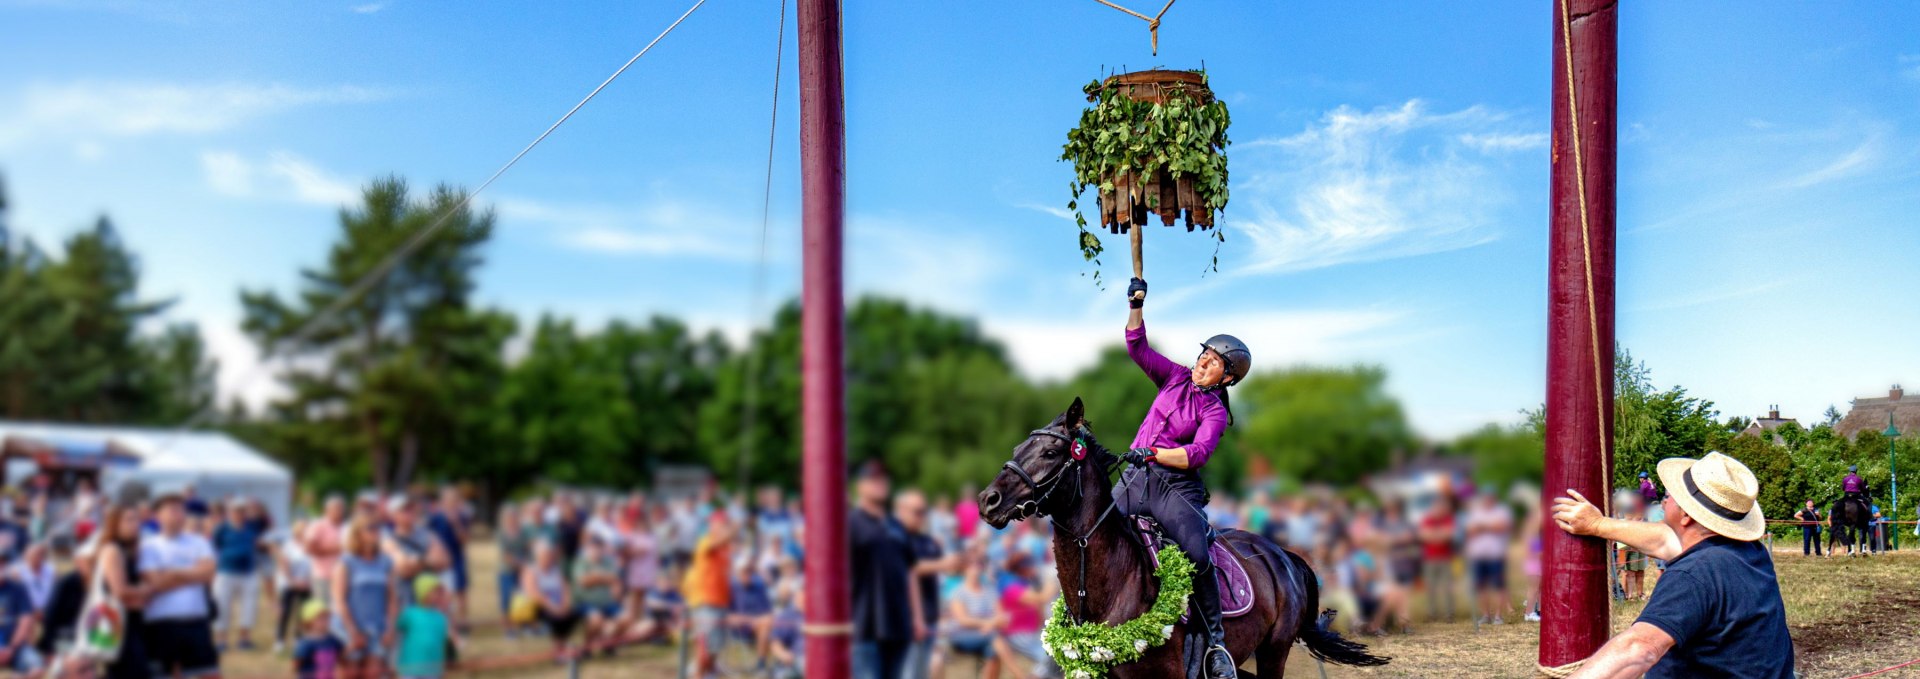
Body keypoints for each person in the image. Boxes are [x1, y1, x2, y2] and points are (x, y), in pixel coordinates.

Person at [1112, 274, 1249, 679]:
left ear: (1227, 378)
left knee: (1196, 553)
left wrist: (1154, 452)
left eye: (1213, 362)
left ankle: (1217, 645)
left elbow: (1197, 454)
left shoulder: (1216, 412)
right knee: (1093, 528)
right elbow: (1137, 347)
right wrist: (1136, 305)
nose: (1203, 362)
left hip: (1175, 488)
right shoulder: (1173, 376)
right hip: (1136, 478)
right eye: (1204, 354)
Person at [1551, 451, 1792, 678]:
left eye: (1669, 497)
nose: (1663, 503)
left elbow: (1639, 648)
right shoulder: (1748, 552)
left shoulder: (1694, 573)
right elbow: (1664, 539)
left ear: (1686, 516)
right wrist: (1597, 525)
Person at [849, 461, 917, 679]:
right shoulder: (850, 522)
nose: (881, 483)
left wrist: (917, 618)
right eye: (873, 479)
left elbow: (910, 571)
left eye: (884, 478)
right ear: (860, 486)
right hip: (864, 625)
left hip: (898, 626)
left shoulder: (896, 525)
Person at [141, 494, 220, 679]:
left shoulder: (199, 541)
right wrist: (193, 573)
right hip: (160, 622)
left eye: (181, 509)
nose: (179, 514)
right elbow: (155, 583)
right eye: (173, 510)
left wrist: (173, 573)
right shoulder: (148, 546)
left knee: (208, 673)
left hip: (196, 620)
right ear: (157, 515)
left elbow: (208, 573)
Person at [333, 515, 397, 679]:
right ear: (357, 533)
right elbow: (339, 600)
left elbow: (391, 598)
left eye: (378, 528)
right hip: (349, 628)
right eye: (371, 528)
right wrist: (352, 631)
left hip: (377, 628)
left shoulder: (385, 561)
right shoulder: (346, 562)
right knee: (351, 673)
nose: (376, 532)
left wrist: (390, 628)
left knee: (374, 673)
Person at [896, 489, 949, 679]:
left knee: (921, 673)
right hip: (903, 621)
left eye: (923, 511)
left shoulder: (928, 541)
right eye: (916, 511)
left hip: (928, 616)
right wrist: (943, 563)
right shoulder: (893, 538)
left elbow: (936, 577)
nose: (921, 516)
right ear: (901, 510)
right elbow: (906, 568)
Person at [684, 510, 733, 677]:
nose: (715, 526)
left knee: (716, 647)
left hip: (720, 601)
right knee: (704, 650)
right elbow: (716, 544)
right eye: (714, 523)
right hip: (704, 601)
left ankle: (703, 673)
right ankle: (697, 673)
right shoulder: (705, 542)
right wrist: (734, 529)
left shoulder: (727, 547)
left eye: (719, 523)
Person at [211, 502, 264, 651]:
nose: (239, 514)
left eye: (242, 511)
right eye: (236, 511)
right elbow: (215, 546)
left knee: (249, 606)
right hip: (226, 572)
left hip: (248, 572)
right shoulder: (221, 529)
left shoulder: (251, 527)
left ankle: (244, 639)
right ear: (229, 512)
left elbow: (256, 541)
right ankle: (221, 640)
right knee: (222, 606)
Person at [996, 554, 1057, 679]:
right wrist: (1053, 582)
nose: (1033, 570)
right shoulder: (1011, 585)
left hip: (1031, 631)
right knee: (1047, 654)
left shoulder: (1024, 581)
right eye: (1030, 567)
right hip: (1017, 633)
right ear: (1022, 569)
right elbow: (1042, 598)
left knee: (1055, 653)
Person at [383, 495, 449, 607]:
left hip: (431, 603)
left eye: (411, 508)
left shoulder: (428, 535)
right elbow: (403, 569)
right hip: (404, 602)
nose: (409, 512)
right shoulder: (388, 540)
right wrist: (428, 561)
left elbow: (444, 561)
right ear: (393, 515)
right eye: (404, 510)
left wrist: (416, 561)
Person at [944, 557, 1004, 679]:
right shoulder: (958, 592)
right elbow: (962, 620)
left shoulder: (989, 590)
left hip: (986, 633)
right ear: (965, 570)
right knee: (994, 638)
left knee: (993, 650)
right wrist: (988, 623)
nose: (976, 569)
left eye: (978, 565)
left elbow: (1000, 615)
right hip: (962, 635)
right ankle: (1021, 675)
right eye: (972, 566)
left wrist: (990, 625)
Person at [523, 540, 579, 661]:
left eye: (549, 555)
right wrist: (553, 607)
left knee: (573, 614)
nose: (548, 558)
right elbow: (534, 593)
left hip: (558, 605)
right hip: (540, 607)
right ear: (537, 556)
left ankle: (562, 647)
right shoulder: (531, 570)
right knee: (556, 619)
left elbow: (565, 588)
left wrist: (566, 604)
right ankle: (559, 651)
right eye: (545, 555)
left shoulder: (556, 569)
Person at [425, 487, 470, 629]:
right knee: (441, 591)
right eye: (448, 500)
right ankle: (444, 622)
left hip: (457, 557)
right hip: (440, 560)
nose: (451, 503)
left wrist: (456, 523)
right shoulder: (435, 518)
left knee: (460, 591)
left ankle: (462, 623)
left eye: (454, 500)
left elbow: (464, 540)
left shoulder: (462, 517)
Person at [394, 574, 455, 679]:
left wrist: (441, 668)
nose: (437, 595)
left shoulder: (440, 617)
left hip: (432, 668)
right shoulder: (409, 614)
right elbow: (396, 627)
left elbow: (442, 643)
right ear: (423, 592)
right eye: (434, 592)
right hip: (410, 666)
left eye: (438, 592)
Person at [570, 535, 623, 656]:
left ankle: (608, 643)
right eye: (593, 548)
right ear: (587, 549)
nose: (596, 551)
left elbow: (616, 579)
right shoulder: (580, 563)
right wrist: (605, 579)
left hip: (608, 602)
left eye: (599, 548)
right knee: (596, 618)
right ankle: (587, 648)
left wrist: (596, 576)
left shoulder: (609, 562)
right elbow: (583, 582)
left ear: (603, 549)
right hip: (585, 602)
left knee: (625, 618)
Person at [270, 519, 316, 655]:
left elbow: (314, 565)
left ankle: (299, 638)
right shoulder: (288, 546)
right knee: (286, 612)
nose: (306, 533)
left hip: (307, 583)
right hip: (289, 582)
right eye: (303, 530)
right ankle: (280, 640)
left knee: (305, 613)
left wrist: (308, 581)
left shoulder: (311, 546)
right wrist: (292, 581)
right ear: (297, 532)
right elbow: (284, 565)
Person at [0, 551, 44, 677]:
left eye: (2, 562)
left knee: (37, 668)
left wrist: (11, 649)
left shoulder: (18, 589)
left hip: (15, 647)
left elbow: (26, 620)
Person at [494, 504, 533, 637]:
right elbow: (504, 555)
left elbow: (528, 548)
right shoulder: (501, 533)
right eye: (509, 517)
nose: (512, 519)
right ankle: (507, 628)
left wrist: (525, 564)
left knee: (522, 599)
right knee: (506, 600)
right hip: (507, 571)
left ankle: (524, 625)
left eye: (514, 516)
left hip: (522, 570)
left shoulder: (523, 532)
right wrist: (519, 563)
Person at [1418, 495, 1459, 622]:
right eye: (1437, 506)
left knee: (1447, 587)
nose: (1440, 509)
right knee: (1430, 587)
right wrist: (1439, 534)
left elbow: (1448, 535)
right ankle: (1431, 613)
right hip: (1429, 558)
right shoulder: (1427, 519)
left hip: (1445, 558)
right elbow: (1424, 536)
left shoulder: (1449, 519)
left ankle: (1449, 614)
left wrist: (1433, 535)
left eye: (1442, 507)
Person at [304, 496, 346, 604]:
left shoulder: (347, 527)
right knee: (324, 608)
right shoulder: (318, 525)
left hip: (343, 576)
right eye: (336, 509)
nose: (339, 512)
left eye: (341, 509)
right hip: (323, 576)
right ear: (326, 510)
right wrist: (335, 548)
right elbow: (309, 548)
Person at [290, 600, 343, 679]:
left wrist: (353, 645)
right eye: (321, 618)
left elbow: (342, 655)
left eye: (327, 618)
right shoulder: (305, 643)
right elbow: (296, 664)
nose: (325, 621)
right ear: (309, 622)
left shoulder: (333, 639)